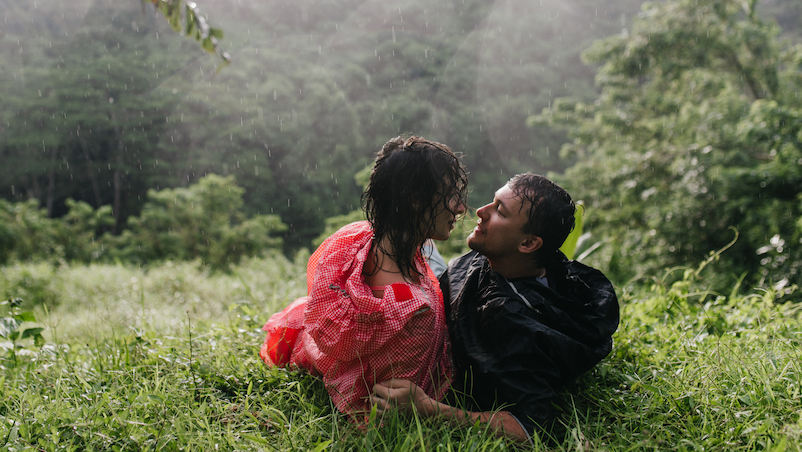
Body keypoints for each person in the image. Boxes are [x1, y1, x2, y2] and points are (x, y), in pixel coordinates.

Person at [371, 173, 619, 443]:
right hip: (445, 281)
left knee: (383, 250)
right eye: (493, 201)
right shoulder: (514, 259)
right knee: (396, 237)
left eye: (500, 210)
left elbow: (530, 428)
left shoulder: (514, 324)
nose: (480, 211)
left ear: (527, 243)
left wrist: (428, 409)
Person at [260, 135, 469, 418]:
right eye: (451, 196)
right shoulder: (413, 310)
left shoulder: (353, 239)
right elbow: (388, 408)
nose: (460, 207)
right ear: (417, 201)